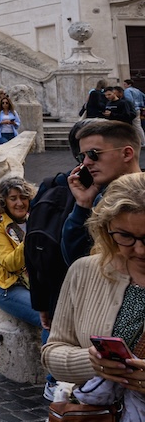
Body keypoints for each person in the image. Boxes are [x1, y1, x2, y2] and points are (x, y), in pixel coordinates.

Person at [43, 172, 145, 407]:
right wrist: (92, 362)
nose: (139, 250)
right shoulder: (84, 271)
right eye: (125, 236)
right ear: (106, 229)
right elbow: (52, 352)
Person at [62, 119, 144, 266]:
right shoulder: (101, 199)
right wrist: (82, 205)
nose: (86, 163)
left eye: (93, 154)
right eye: (82, 156)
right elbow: (77, 262)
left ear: (126, 154)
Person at [0, 177, 44, 340]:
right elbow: (10, 263)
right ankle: (53, 362)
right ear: (3, 201)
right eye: (13, 198)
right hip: (7, 287)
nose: (19, 203)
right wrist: (32, 236)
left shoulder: (35, 219)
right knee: (49, 319)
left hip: (37, 283)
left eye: (23, 197)